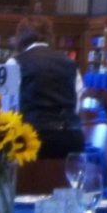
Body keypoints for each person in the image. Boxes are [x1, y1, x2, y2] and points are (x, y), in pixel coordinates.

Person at [11, 15, 84, 158]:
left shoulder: (14, 63)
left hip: (30, 140)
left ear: (20, 38)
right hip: (70, 139)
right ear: (50, 37)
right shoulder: (70, 64)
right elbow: (77, 103)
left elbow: (7, 108)